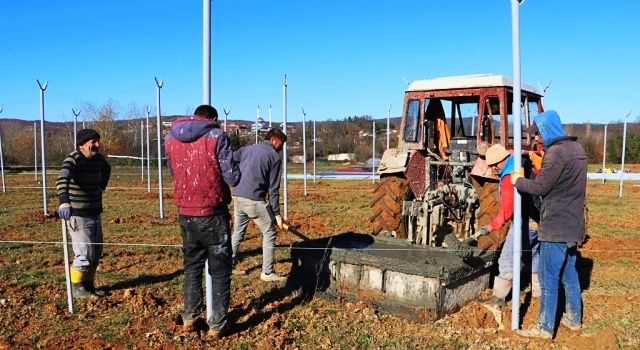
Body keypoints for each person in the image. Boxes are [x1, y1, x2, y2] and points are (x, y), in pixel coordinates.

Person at [165, 105, 240, 338]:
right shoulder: (218, 136)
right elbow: (232, 176)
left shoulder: (170, 138)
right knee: (219, 269)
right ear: (214, 119)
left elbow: (172, 171)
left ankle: (190, 317)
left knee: (192, 267)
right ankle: (217, 324)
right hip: (212, 213)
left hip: (185, 212)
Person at [511, 110, 587, 339]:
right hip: (574, 224)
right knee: (569, 272)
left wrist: (518, 181)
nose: (536, 139)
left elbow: (540, 187)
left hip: (555, 225)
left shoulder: (556, 153)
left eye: (538, 134)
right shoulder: (578, 149)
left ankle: (544, 328)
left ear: (547, 130)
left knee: (548, 277)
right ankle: (574, 319)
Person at [476, 144, 540, 308]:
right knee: (532, 256)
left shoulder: (508, 178)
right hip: (537, 219)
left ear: (501, 160)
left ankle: (498, 297)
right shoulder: (522, 163)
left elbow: (507, 211)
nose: (493, 168)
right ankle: (539, 293)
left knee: (506, 258)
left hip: (524, 220)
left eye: (494, 164)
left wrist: (490, 227)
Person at [56, 128, 111, 299]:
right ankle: (76, 287)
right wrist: (64, 201)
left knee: (96, 252)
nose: (97, 145)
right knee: (85, 252)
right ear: (82, 145)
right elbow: (62, 179)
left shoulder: (99, 160)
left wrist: (102, 186)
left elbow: (107, 169)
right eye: (93, 142)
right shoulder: (74, 159)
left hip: (95, 212)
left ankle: (89, 285)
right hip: (78, 215)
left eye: (97, 141)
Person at [231, 128, 287, 282]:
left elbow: (230, 159)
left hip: (237, 196)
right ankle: (267, 273)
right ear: (273, 140)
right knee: (269, 233)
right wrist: (276, 215)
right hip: (253, 199)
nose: (282, 148)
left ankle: (226, 265)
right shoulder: (274, 158)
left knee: (238, 232)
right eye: (281, 144)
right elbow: (273, 189)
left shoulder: (246, 149)